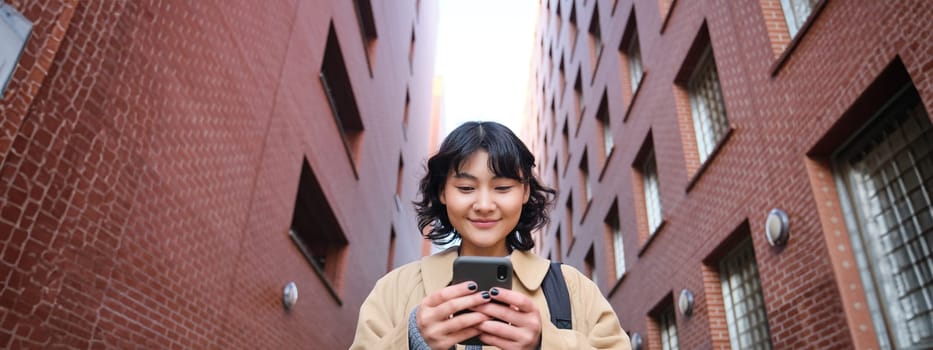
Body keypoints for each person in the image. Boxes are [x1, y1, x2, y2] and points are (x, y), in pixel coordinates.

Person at [350, 121, 631, 349]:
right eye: (466, 188)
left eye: (502, 188)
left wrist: (545, 342)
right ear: (442, 193)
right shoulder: (394, 289)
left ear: (525, 192)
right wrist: (412, 339)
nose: (484, 206)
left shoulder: (572, 289)